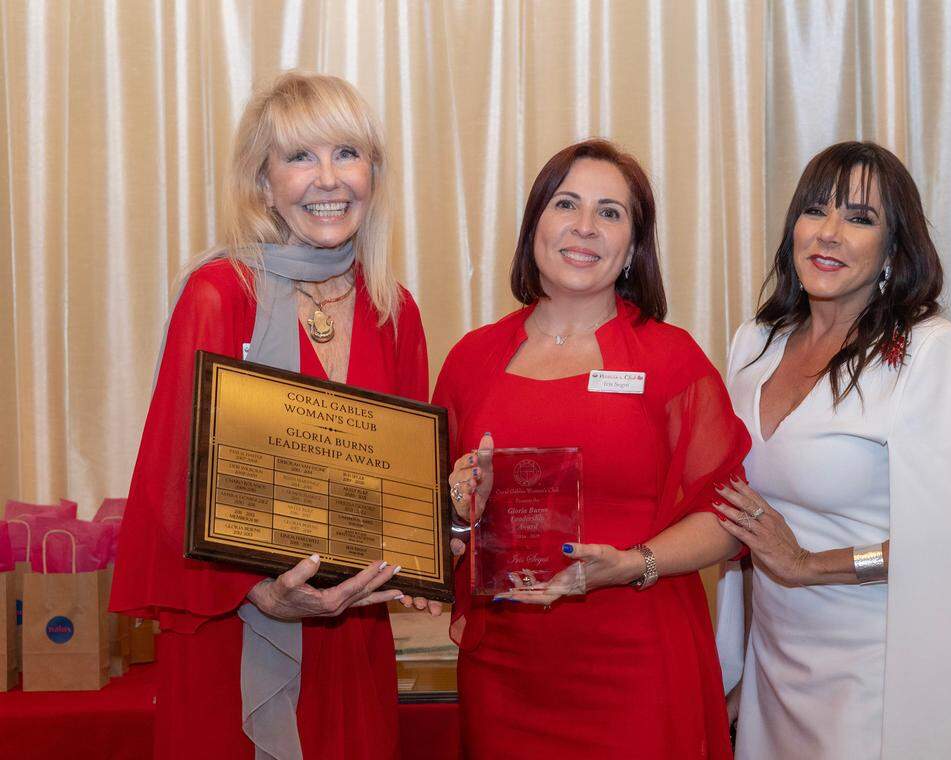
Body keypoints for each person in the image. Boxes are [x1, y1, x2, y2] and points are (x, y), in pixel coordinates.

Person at [110, 71, 439, 760]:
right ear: (262, 181)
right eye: (300, 157)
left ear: (373, 173)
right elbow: (173, 490)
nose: (329, 179)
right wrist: (262, 592)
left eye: (346, 153)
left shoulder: (396, 312)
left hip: (352, 643)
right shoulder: (218, 295)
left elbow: (401, 489)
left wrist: (446, 517)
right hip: (232, 635)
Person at [714, 141, 951, 759]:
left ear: (893, 250)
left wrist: (809, 565)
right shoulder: (753, 342)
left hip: (878, 673)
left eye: (860, 218)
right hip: (773, 671)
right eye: (816, 211)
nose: (830, 234)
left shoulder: (928, 350)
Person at [433, 139, 752, 759]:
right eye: (566, 204)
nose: (584, 226)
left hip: (636, 664)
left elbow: (729, 519)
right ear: (534, 228)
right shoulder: (470, 361)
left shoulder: (670, 360)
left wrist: (633, 564)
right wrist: (456, 507)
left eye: (610, 213)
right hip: (506, 675)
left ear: (633, 246)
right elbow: (436, 521)